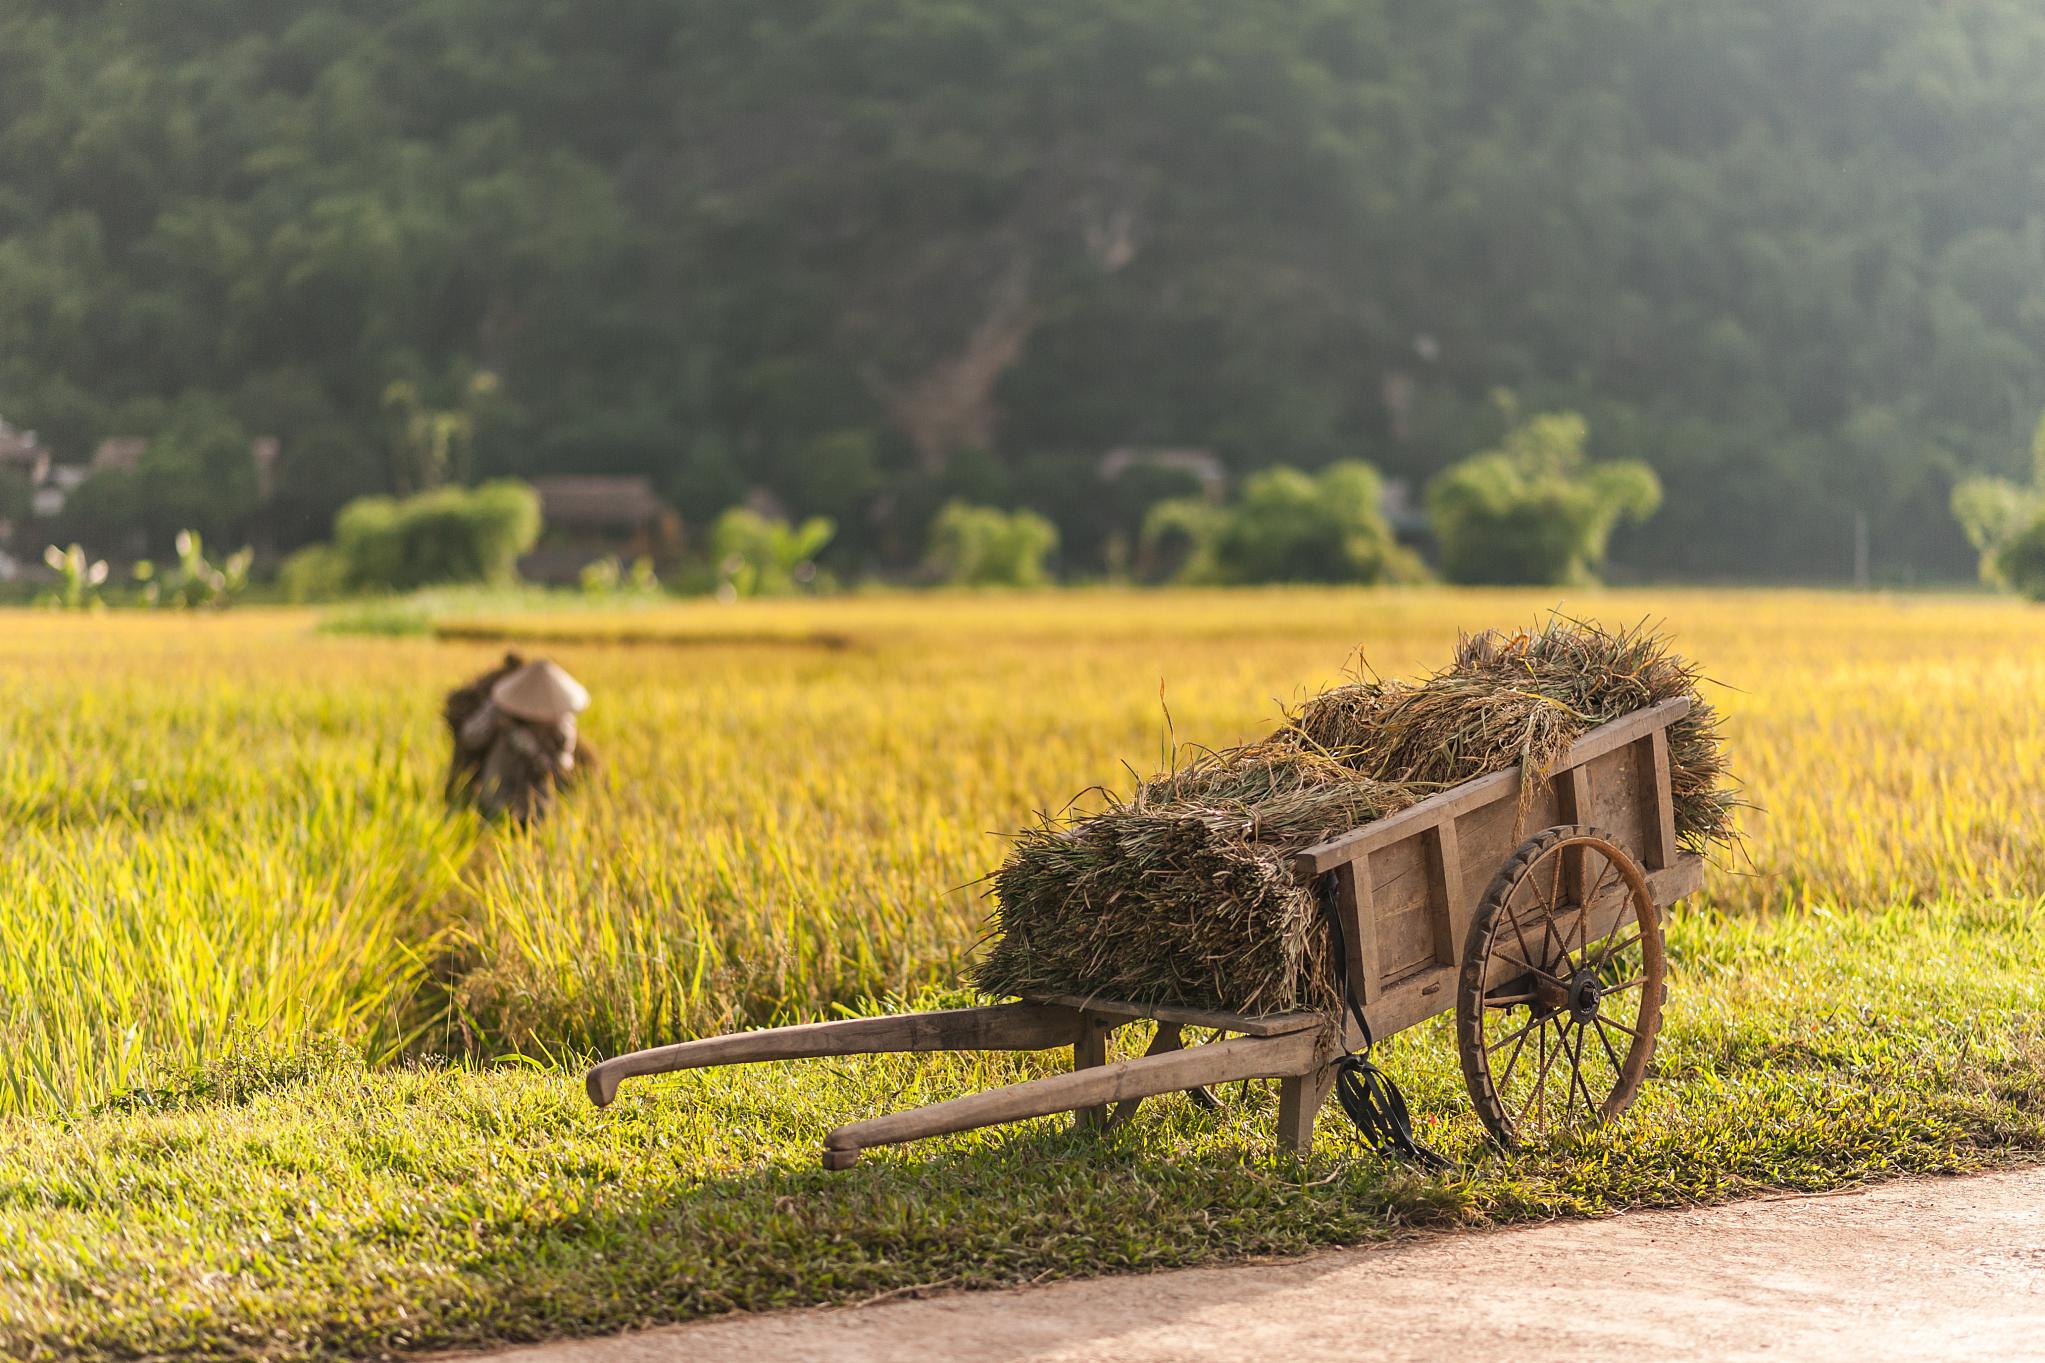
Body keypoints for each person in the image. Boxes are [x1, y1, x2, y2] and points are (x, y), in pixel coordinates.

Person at [443, 653, 593, 822]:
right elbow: (470, 737)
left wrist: (532, 749)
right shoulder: (501, 709)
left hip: (539, 799)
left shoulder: (562, 723)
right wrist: (501, 723)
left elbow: (562, 764)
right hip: (498, 791)